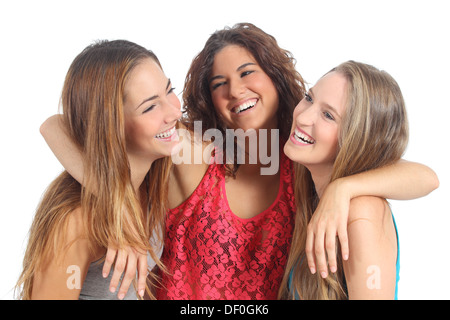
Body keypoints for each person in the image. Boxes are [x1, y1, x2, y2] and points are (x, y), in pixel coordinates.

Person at [40, 24, 439, 300]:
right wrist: (114, 207)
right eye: (218, 84)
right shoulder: (196, 152)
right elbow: (60, 124)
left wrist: (343, 188)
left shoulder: (302, 161)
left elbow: (426, 177)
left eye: (248, 72)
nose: (236, 90)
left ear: (276, 78)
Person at [15, 40, 182, 300]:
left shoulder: (153, 185)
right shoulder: (76, 221)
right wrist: (115, 207)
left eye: (169, 90)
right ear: (111, 124)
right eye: (150, 107)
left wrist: (119, 207)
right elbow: (51, 124)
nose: (173, 112)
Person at [280, 60, 418, 299]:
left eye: (327, 115)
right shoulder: (312, 195)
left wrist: (343, 188)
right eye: (309, 98)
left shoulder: (363, 211)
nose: (302, 117)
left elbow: (430, 178)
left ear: (357, 139)